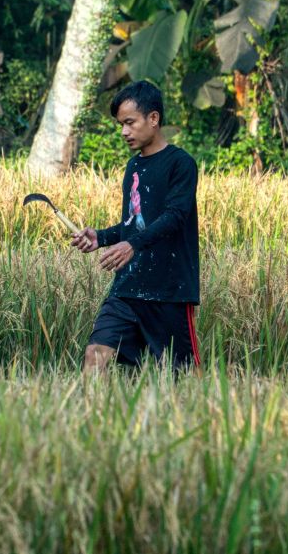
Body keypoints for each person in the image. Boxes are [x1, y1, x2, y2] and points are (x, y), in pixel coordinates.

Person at [71, 80, 201, 373]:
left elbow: (174, 216)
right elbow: (133, 224)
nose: (124, 132)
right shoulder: (133, 167)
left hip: (169, 292)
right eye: (121, 124)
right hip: (127, 288)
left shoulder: (181, 164)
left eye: (129, 122)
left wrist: (133, 245)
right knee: (95, 354)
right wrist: (100, 237)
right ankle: (91, 418)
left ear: (153, 119)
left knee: (183, 376)